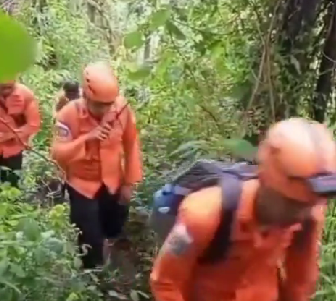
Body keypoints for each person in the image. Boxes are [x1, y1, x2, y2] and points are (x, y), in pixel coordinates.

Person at [150, 118, 336, 301]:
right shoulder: (202, 214)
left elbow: (300, 283)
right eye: (290, 203)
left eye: (307, 205)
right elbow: (166, 283)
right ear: (265, 180)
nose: (299, 214)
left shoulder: (309, 216)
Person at [50, 61, 143, 269]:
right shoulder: (68, 114)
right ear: (85, 97)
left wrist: (129, 182)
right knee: (88, 235)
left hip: (112, 181)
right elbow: (57, 153)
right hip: (81, 184)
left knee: (113, 226)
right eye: (99, 105)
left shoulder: (122, 109)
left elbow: (132, 145)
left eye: (109, 104)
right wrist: (86, 139)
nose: (106, 109)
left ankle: (107, 247)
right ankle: (94, 273)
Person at [0, 80, 41, 187]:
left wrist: (8, 136)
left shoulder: (25, 95)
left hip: (13, 150)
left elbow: (33, 124)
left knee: (11, 185)